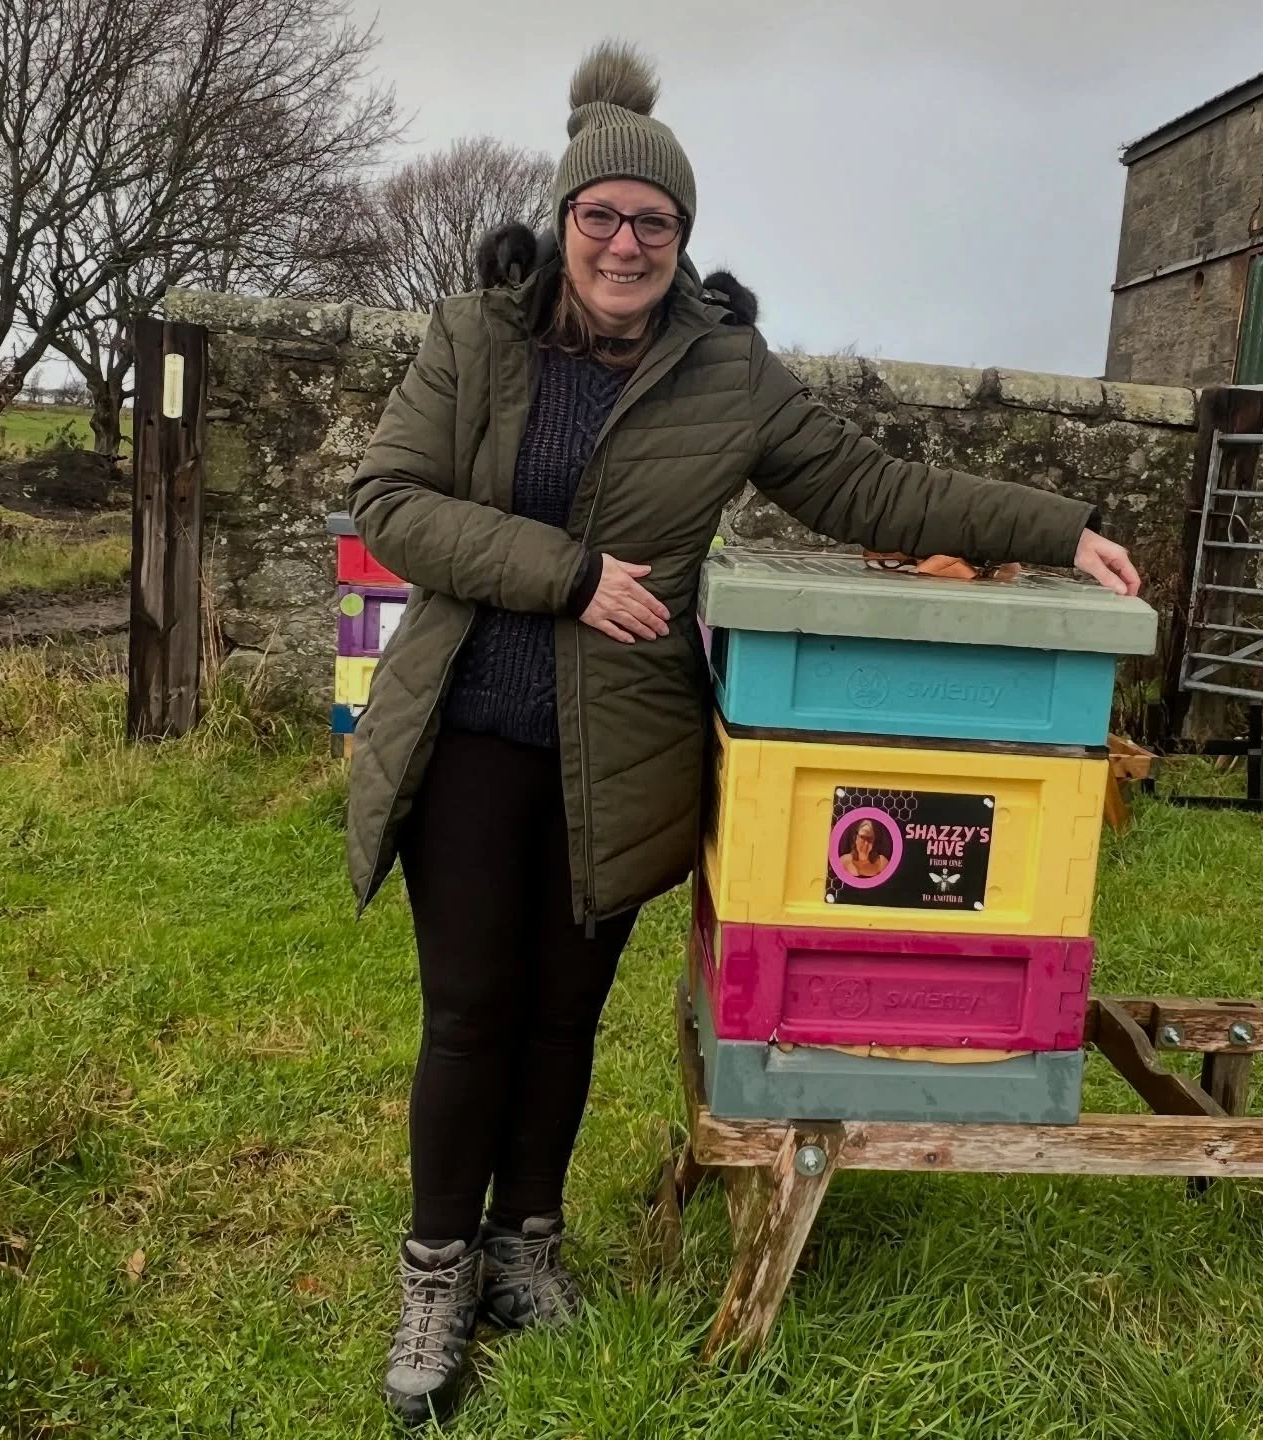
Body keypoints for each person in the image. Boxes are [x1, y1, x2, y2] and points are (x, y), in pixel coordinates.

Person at [344, 40, 1141, 1427]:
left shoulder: (727, 373)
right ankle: (434, 1276)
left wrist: (1056, 530)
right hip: (470, 724)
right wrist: (570, 574)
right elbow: (392, 503)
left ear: (682, 239)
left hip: (626, 748)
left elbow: (878, 490)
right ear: (568, 217)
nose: (625, 241)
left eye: (654, 223)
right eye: (603, 215)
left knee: (564, 1015)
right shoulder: (479, 336)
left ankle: (527, 1250)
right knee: (472, 1011)